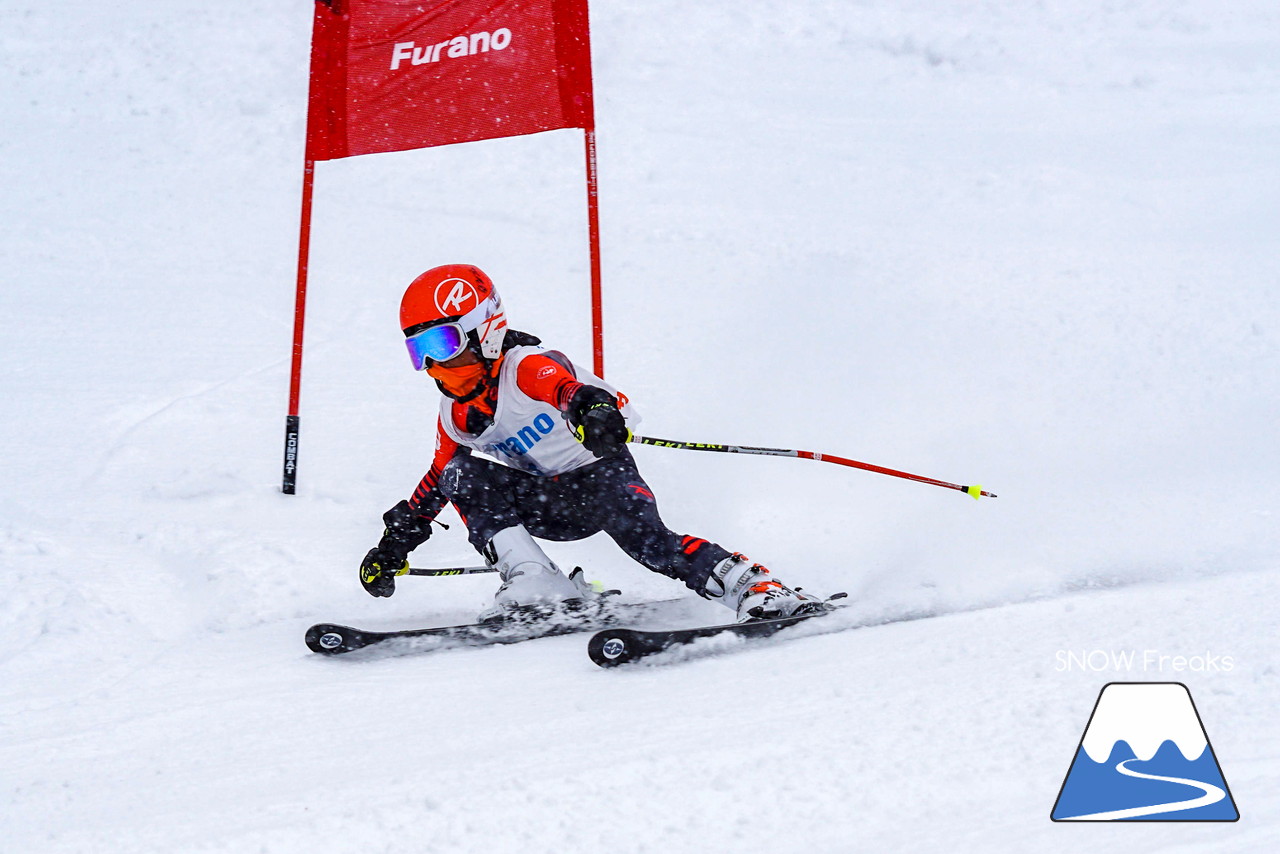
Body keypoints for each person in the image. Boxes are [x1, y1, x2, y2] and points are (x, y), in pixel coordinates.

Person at [359, 264, 823, 623]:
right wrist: (394, 543)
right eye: (421, 353)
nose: (436, 364)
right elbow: (438, 481)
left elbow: (564, 387)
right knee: (460, 473)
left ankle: (756, 588)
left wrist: (594, 410)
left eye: (443, 342)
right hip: (548, 504)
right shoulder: (455, 414)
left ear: (485, 329)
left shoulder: (524, 367)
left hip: (602, 477)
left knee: (649, 545)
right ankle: (534, 581)